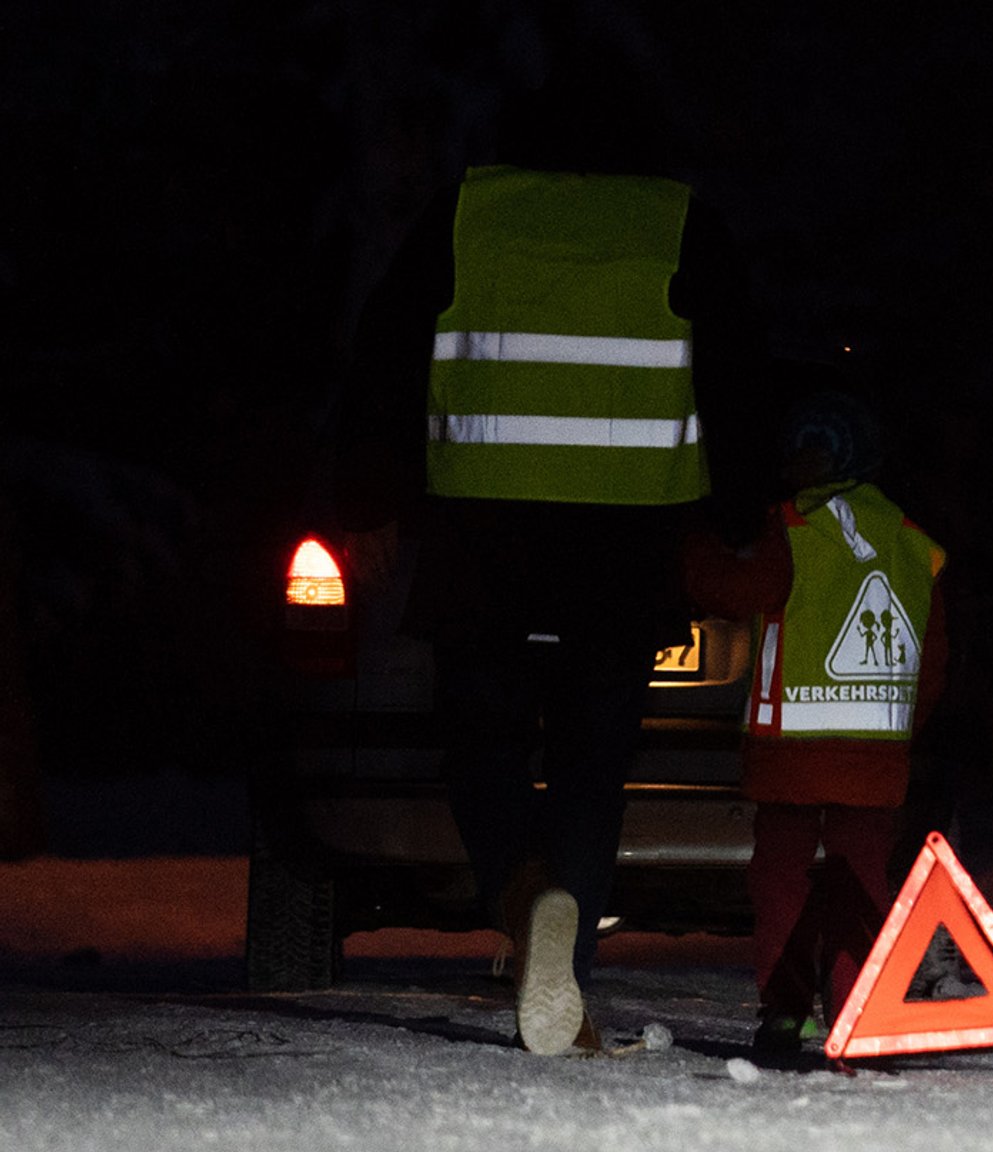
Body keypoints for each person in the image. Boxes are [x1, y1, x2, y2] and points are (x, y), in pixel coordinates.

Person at [339, 155, 764, 1054]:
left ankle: (530, 899)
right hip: (624, 543)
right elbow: (737, 371)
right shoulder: (677, 217)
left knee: (482, 743)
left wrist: (365, 497)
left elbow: (383, 347)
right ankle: (563, 980)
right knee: (591, 764)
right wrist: (737, 518)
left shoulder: (470, 209)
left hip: (481, 532)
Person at [683, 389, 949, 1055]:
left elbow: (732, 591)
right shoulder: (913, 541)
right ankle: (857, 1009)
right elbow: (934, 654)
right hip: (874, 757)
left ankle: (787, 1011)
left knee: (782, 880)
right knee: (860, 881)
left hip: (792, 757)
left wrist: (688, 544)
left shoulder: (790, 530)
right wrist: (898, 730)